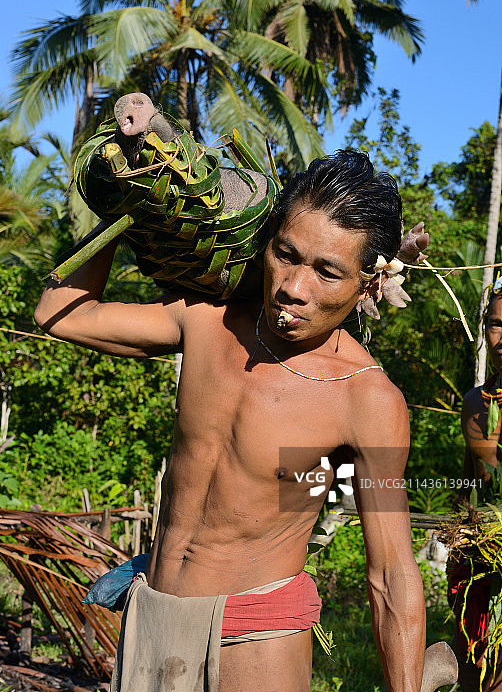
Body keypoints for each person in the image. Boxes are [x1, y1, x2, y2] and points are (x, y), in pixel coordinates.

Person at [34, 151, 426, 692]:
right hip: (152, 615)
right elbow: (61, 313)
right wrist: (125, 199)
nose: (293, 286)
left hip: (258, 636)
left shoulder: (366, 400)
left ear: (367, 285)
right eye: (286, 254)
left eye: (328, 272)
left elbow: (392, 574)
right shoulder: (206, 321)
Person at [450, 285, 502, 692]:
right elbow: (472, 480)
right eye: (497, 325)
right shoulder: (474, 402)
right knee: (474, 665)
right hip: (483, 558)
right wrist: (459, 538)